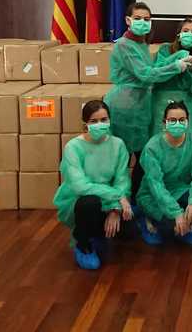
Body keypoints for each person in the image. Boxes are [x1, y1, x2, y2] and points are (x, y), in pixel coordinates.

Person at [105, 2, 192, 199]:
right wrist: (177, 65)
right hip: (124, 105)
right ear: (128, 20)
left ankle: (135, 200)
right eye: (138, 18)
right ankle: (117, 202)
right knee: (122, 158)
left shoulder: (141, 44)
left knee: (143, 158)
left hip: (141, 105)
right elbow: (146, 74)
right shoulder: (124, 45)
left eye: (147, 19)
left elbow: (153, 71)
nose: (143, 22)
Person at [53, 100, 133, 270]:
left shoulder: (118, 145)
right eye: (94, 121)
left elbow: (122, 180)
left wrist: (115, 210)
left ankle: (98, 234)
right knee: (90, 203)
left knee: (130, 228)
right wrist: (117, 196)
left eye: (104, 120)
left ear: (110, 120)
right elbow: (80, 186)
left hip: (111, 200)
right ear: (85, 124)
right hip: (81, 200)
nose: (100, 124)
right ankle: (83, 244)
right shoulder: (73, 147)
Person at [136, 101, 192, 247]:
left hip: (180, 188)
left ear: (188, 122)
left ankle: (184, 227)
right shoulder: (152, 147)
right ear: (164, 123)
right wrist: (176, 213)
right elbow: (156, 185)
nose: (177, 124)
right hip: (153, 195)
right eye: (172, 120)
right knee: (168, 227)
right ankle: (148, 220)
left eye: (182, 120)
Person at [150, 18, 192, 133]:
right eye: (186, 31)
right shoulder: (165, 49)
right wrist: (179, 58)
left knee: (188, 138)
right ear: (178, 35)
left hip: (188, 104)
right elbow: (157, 72)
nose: (189, 34)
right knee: (162, 137)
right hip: (162, 102)